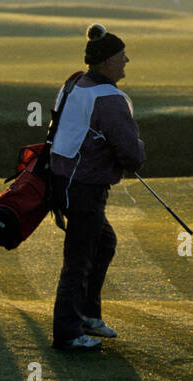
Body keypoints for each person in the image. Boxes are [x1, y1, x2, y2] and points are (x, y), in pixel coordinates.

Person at [48, 24, 146, 351]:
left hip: (62, 179)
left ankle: (88, 314)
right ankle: (67, 331)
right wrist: (134, 151)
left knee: (103, 242)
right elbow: (131, 154)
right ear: (107, 62)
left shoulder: (74, 82)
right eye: (122, 56)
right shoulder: (110, 99)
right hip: (85, 187)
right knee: (79, 259)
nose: (127, 60)